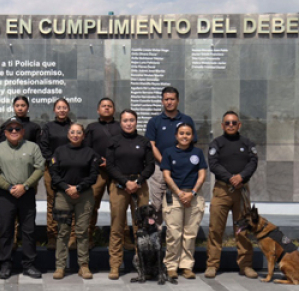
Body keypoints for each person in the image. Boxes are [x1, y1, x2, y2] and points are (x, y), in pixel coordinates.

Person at [0, 117, 45, 279]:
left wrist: (25, 186)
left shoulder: (32, 147)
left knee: (29, 230)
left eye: (17, 129)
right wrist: (8, 187)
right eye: (10, 129)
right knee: (6, 230)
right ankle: (5, 264)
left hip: (26, 193)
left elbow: (40, 168)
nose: (14, 132)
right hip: (7, 194)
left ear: (23, 131)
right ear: (5, 132)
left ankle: (29, 264)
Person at [205, 111, 258, 279]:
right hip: (222, 191)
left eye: (234, 122)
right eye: (227, 123)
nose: (230, 125)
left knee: (243, 229)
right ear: (222, 125)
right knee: (215, 229)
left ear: (239, 125)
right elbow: (213, 164)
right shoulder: (216, 143)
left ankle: (246, 265)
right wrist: (230, 178)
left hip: (241, 191)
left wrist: (241, 177)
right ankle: (212, 265)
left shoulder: (247, 143)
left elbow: (253, 162)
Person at [105, 110, 155, 280]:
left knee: (141, 227)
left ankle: (142, 264)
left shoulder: (144, 142)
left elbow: (150, 166)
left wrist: (138, 181)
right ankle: (115, 265)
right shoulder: (114, 142)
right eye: (125, 120)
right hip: (119, 186)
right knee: (117, 225)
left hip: (139, 185)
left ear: (136, 122)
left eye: (131, 120)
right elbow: (110, 166)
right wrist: (125, 182)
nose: (128, 123)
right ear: (121, 123)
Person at [50, 123, 98, 280]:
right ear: (68, 135)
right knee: (63, 232)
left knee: (82, 231)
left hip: (84, 196)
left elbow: (93, 176)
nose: (75, 135)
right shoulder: (59, 151)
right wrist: (67, 188)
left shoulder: (90, 153)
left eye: (79, 132)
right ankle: (60, 266)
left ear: (83, 135)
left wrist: (78, 188)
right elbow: (54, 174)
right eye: (73, 132)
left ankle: (83, 266)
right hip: (63, 196)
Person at [160, 123, 207, 280]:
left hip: (194, 195)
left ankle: (186, 266)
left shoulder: (198, 153)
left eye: (188, 133)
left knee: (190, 233)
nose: (185, 136)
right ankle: (171, 266)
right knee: (173, 233)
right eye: (181, 133)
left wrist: (192, 193)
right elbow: (167, 175)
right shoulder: (169, 152)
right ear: (176, 136)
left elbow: (202, 175)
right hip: (174, 195)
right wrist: (180, 193)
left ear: (192, 136)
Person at [146, 87, 197, 224]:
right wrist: (165, 163)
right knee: (157, 204)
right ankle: (156, 236)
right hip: (159, 167)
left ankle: (174, 236)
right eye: (166, 99)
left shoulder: (187, 120)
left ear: (178, 101)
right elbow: (152, 145)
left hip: (181, 168)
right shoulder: (154, 121)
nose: (169, 102)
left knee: (177, 203)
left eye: (172, 99)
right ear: (162, 101)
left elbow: (192, 144)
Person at [84, 98, 129, 250]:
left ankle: (123, 238)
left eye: (110, 106)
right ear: (98, 110)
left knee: (119, 206)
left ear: (114, 110)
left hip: (117, 171)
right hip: (98, 172)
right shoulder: (92, 127)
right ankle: (88, 237)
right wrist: (99, 161)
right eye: (103, 106)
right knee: (91, 204)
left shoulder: (120, 126)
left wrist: (111, 163)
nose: (107, 108)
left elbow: (125, 146)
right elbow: (87, 149)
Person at [0, 96, 42, 249]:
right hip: (9, 176)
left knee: (26, 213)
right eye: (17, 105)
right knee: (10, 213)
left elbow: (38, 150)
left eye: (23, 105)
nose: (20, 108)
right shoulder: (6, 125)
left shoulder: (34, 127)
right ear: (13, 107)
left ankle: (25, 246)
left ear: (27, 107)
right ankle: (13, 242)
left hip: (28, 177)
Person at [39, 98, 75, 250]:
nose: (61, 110)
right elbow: (44, 147)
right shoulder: (48, 127)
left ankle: (72, 236)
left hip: (72, 169)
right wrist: (54, 162)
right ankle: (52, 235)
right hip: (52, 168)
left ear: (68, 109)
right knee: (52, 202)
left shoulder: (73, 127)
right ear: (54, 110)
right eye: (59, 107)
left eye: (64, 107)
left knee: (72, 201)